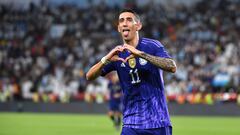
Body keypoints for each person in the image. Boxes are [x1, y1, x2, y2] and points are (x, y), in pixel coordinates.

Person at [86, 9, 177, 135]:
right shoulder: (117, 53)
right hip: (131, 124)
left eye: (129, 20)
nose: (124, 23)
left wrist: (141, 54)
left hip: (158, 122)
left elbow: (172, 66)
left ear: (138, 25)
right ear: (118, 28)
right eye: (121, 21)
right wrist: (105, 60)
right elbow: (89, 76)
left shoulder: (152, 46)